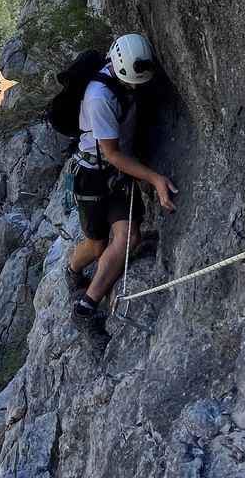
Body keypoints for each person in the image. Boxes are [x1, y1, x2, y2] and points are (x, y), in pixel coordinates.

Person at [65, 33, 177, 332]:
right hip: (93, 175)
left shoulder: (123, 72)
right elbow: (112, 154)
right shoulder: (99, 97)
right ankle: (73, 269)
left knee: (129, 238)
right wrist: (154, 178)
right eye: (131, 83)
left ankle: (85, 308)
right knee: (97, 245)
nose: (133, 88)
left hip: (114, 173)